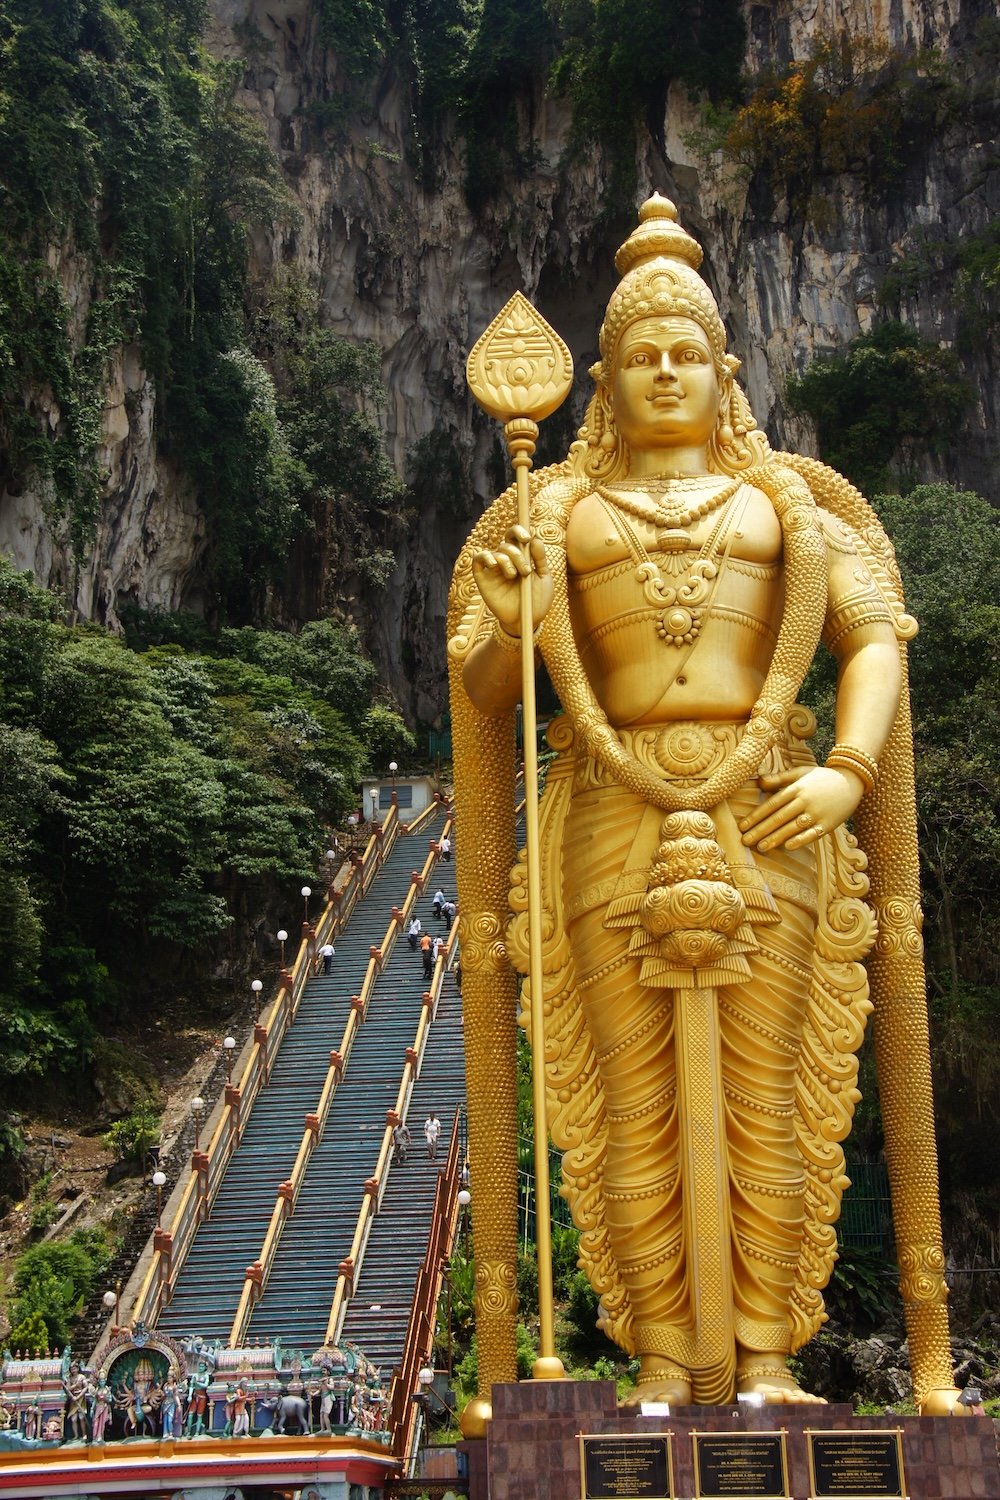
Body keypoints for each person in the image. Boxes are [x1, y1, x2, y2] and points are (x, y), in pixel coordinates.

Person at [449, 195, 954, 1414]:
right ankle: (662, 1360)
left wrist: (847, 763)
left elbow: (874, 639)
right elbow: (480, 685)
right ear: (603, 386)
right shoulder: (551, 517)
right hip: (610, 814)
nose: (664, 372)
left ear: (723, 370)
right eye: (639, 358)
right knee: (628, 1108)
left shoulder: (791, 509)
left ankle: (772, 1359)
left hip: (772, 801)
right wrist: (516, 614)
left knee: (772, 1090)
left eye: (685, 354)